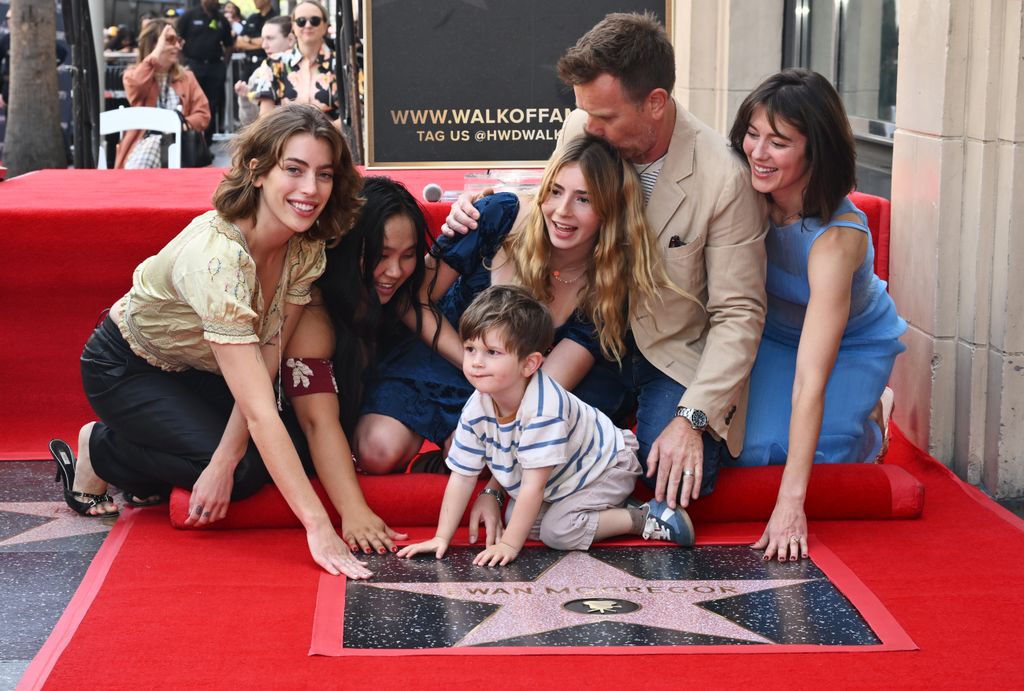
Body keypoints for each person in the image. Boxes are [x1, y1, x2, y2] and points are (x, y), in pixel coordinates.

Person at [444, 13, 767, 518]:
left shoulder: (724, 178)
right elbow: (561, 201)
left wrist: (693, 419)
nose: (588, 127)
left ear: (655, 103)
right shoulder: (585, 121)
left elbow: (740, 313)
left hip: (669, 352)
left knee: (679, 482)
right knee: (546, 447)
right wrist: (495, 200)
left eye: (606, 118)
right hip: (588, 333)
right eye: (585, 114)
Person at [49, 105, 372, 578]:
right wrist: (319, 526)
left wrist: (223, 454)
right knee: (242, 475)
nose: (311, 190)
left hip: (205, 371)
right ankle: (101, 448)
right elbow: (259, 411)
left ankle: (155, 459)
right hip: (127, 368)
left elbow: (266, 361)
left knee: (291, 453)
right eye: (294, 170)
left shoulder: (305, 248)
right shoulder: (218, 259)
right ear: (258, 171)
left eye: (324, 175)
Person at [356, 134, 669, 478]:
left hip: (526, 382)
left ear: (611, 211)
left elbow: (547, 386)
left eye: (584, 199)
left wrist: (485, 421)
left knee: (485, 456)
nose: (562, 211)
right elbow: (413, 298)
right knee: (377, 450)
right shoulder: (500, 215)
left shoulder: (611, 281)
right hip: (449, 349)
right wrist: (474, 364)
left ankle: (451, 456)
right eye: (555, 191)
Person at [727, 69, 907, 561]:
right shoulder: (746, 194)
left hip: (848, 345)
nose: (758, 153)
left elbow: (811, 379)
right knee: (754, 453)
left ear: (815, 149)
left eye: (779, 142)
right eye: (753, 134)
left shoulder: (836, 239)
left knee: (815, 461)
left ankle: (873, 415)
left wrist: (790, 505)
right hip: (772, 332)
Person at [398, 285, 695, 567]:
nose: (476, 362)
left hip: (605, 466)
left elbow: (533, 486)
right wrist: (441, 537)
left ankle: (641, 517)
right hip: (563, 478)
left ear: (529, 364)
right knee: (519, 516)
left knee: (558, 532)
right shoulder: (479, 404)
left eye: (492, 353)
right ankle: (598, 510)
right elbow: (462, 476)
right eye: (471, 349)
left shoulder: (543, 408)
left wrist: (509, 547)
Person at [281, 176, 435, 554]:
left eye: (408, 255)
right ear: (351, 249)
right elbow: (317, 421)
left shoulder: (398, 293)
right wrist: (353, 510)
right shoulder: (314, 312)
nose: (395, 271)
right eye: (381, 255)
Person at [116, 20, 210, 169]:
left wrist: (179, 125)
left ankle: (131, 187)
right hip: (143, 145)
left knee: (158, 143)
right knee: (154, 143)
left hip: (180, 146)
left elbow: (203, 115)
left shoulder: (187, 77)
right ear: (154, 45)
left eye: (178, 41)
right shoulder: (132, 75)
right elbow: (137, 86)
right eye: (170, 41)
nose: (178, 47)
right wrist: (155, 54)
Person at [251, 0, 341, 127]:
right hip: (284, 140)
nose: (308, 25)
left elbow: (351, 116)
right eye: (301, 21)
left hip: (331, 141)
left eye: (315, 20)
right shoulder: (273, 64)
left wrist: (321, 134)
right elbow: (266, 116)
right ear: (293, 26)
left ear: (325, 26)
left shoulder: (341, 65)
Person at [177, 0, 234, 142]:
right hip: (193, 67)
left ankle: (206, 143)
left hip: (215, 68)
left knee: (211, 105)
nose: (216, 2)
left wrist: (223, 65)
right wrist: (182, 63)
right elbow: (177, 39)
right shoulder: (189, 16)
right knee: (191, 104)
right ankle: (190, 140)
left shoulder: (221, 20)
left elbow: (229, 45)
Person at [234, 16, 293, 128]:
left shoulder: (311, 70)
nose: (264, 45)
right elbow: (249, 124)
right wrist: (245, 99)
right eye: (263, 39)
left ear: (290, 39)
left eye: (270, 38)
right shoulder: (260, 73)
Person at [232, 0, 279, 83]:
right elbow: (238, 43)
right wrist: (258, 43)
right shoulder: (252, 18)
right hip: (248, 66)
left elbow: (270, 42)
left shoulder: (275, 19)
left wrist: (250, 40)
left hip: (267, 65)